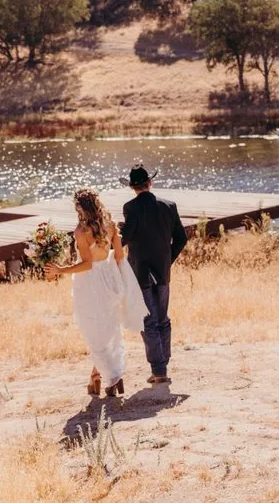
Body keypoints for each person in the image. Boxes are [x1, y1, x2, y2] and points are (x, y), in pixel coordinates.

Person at [45, 188, 148, 397]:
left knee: (93, 331)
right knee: (109, 329)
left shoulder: (82, 231)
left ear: (80, 207)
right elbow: (119, 255)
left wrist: (60, 270)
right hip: (109, 279)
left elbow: (87, 264)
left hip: (89, 283)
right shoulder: (109, 224)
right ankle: (101, 377)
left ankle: (111, 375)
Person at [120, 165, 188, 384]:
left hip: (140, 272)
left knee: (148, 320)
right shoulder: (169, 206)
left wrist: (119, 231)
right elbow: (181, 239)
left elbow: (125, 239)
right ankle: (162, 366)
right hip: (162, 269)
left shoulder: (130, 208)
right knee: (162, 319)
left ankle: (159, 370)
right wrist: (168, 259)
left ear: (132, 187)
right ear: (150, 183)